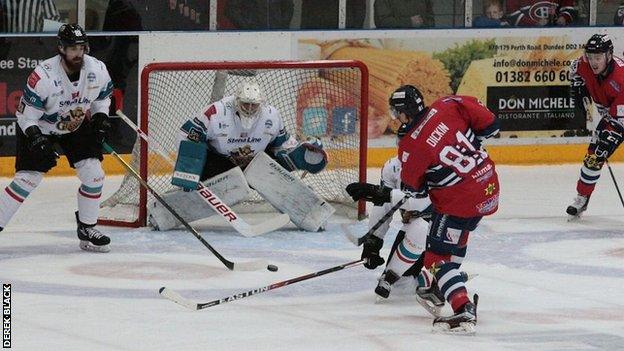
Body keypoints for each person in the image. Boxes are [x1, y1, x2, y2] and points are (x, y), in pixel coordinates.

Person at [346, 85, 500, 333]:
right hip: (488, 186)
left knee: (436, 258)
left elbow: (415, 198)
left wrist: (380, 193)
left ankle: (462, 308)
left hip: (459, 200)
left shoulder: (411, 147)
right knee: (458, 236)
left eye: (397, 115)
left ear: (404, 114)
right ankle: (445, 285)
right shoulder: (447, 104)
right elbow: (492, 126)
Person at [148, 80, 329, 232]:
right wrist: (189, 170)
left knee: (265, 171)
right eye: (245, 104)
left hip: (255, 163)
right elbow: (187, 136)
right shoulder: (216, 112)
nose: (250, 109)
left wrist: (298, 152)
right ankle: (163, 213)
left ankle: (310, 212)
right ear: (236, 101)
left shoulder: (271, 116)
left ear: (261, 104)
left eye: (254, 105)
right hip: (219, 164)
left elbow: (281, 143)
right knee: (232, 185)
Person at [0, 24, 113, 252]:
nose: (78, 53)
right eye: (72, 48)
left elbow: (102, 99)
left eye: (81, 47)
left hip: (75, 124)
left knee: (94, 174)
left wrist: (101, 118)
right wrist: (36, 139)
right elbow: (26, 117)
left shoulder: (97, 69)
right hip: (40, 126)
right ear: (61, 48)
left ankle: (87, 228)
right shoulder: (44, 76)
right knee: (27, 180)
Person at [566, 34, 624, 217]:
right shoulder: (584, 64)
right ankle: (582, 197)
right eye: (590, 57)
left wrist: (610, 137)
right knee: (594, 157)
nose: (593, 62)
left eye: (598, 57)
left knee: (603, 147)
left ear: (609, 55)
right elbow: (573, 68)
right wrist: (577, 83)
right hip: (612, 116)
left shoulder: (621, 78)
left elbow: (620, 119)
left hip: (621, 116)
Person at [225, 0, 293, 30]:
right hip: (250, 36)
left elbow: (288, 8)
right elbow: (231, 9)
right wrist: (247, 26)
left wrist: (282, 26)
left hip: (277, 35)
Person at [300, 0, 366, 29]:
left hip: (347, 28)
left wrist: (357, 31)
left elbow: (359, 7)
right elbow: (306, 6)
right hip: (314, 25)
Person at [505, 0, 577, 26]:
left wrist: (564, 17)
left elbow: (569, 9)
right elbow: (512, 15)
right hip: (526, 39)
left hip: (555, 37)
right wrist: (534, 23)